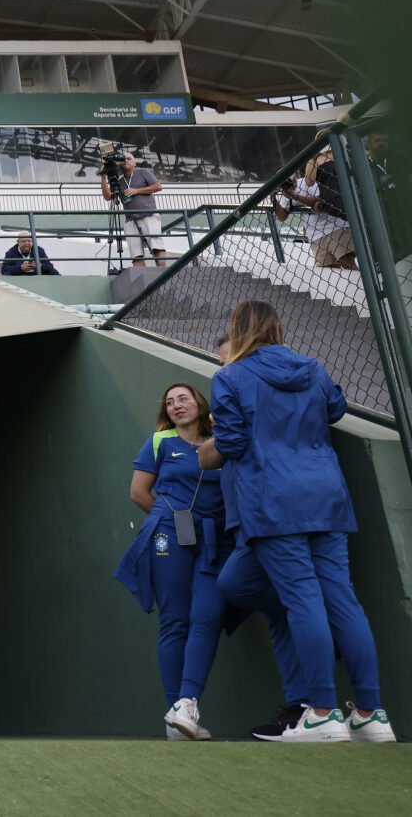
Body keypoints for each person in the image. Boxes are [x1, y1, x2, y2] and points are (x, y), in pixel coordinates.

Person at [199, 300, 395, 743]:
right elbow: (335, 409)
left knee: (303, 600)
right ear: (276, 326)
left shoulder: (229, 376)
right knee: (342, 601)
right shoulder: (312, 367)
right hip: (325, 495)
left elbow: (229, 442)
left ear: (238, 329)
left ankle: (322, 712)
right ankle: (370, 713)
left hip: (273, 501)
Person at [114, 382, 229, 741]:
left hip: (214, 537)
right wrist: (173, 519)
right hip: (169, 531)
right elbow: (138, 492)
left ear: (199, 402)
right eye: (170, 402)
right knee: (175, 620)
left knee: (207, 614)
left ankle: (186, 705)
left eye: (184, 398)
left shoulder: (223, 440)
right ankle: (176, 720)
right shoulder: (159, 441)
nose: (178, 405)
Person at [277, 144, 357, 270]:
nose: (285, 180)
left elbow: (321, 200)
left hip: (335, 228)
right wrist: (274, 199)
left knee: (348, 264)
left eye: (287, 175)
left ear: (295, 173)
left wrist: (294, 196)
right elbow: (282, 217)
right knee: (328, 272)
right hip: (316, 236)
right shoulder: (286, 192)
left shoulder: (307, 182)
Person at [100, 152, 165, 268]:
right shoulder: (119, 181)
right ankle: (141, 277)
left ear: (134, 163)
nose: (126, 160)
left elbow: (158, 186)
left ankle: (163, 271)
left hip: (148, 214)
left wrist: (137, 191)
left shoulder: (143, 172)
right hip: (130, 219)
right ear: (119, 164)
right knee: (136, 254)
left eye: (129, 158)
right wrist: (103, 177)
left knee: (156, 246)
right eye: (123, 159)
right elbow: (108, 196)